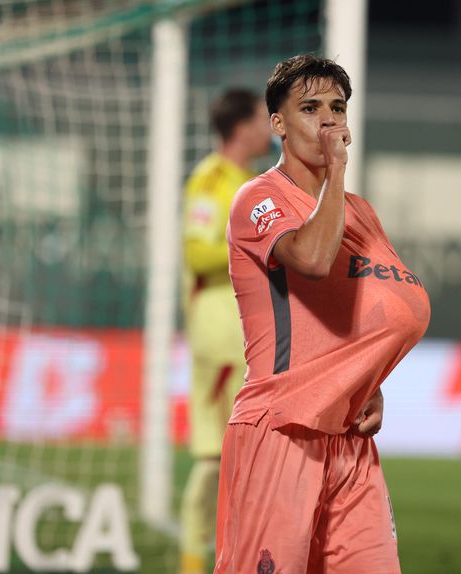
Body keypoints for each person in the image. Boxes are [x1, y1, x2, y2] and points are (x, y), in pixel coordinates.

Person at [215, 55, 430, 573]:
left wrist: (367, 380)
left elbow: (369, 305)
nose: (328, 120)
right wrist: (335, 171)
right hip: (282, 428)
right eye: (310, 108)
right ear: (278, 123)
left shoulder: (360, 212)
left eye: (337, 108)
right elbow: (311, 260)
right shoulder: (258, 198)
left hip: (348, 439)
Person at [179, 88, 272, 574]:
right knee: (215, 455)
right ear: (241, 127)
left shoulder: (250, 182)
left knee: (252, 458)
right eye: (262, 119)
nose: (269, 128)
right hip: (219, 336)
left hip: (249, 336)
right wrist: (257, 245)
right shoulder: (211, 180)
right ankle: (192, 563)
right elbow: (198, 253)